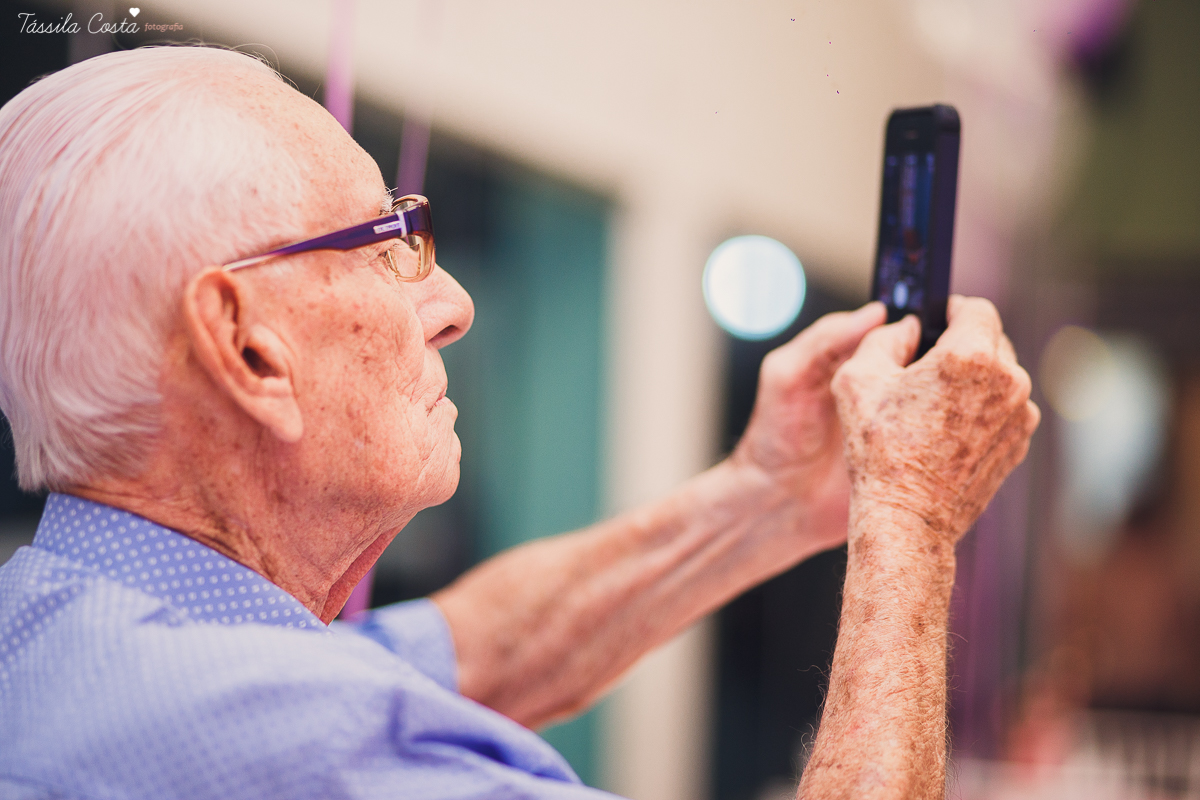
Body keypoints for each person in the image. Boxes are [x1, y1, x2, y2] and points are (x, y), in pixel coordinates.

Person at [0, 47, 1038, 800]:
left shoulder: (62, 623)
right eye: (385, 242)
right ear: (246, 345)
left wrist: (767, 496)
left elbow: (471, 653)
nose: (452, 302)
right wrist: (908, 510)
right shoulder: (308, 741)